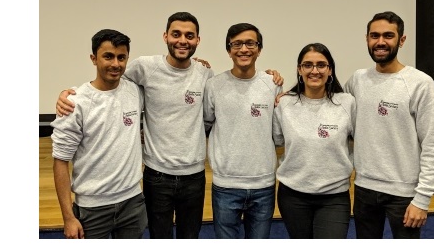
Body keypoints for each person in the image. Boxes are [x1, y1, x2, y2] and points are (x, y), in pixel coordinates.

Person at [55, 12, 284, 239]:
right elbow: (109, 82)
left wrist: (270, 76)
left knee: (189, 237)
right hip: (157, 177)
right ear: (165, 36)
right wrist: (70, 94)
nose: (182, 40)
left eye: (189, 35)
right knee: (159, 237)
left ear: (197, 41)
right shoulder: (144, 68)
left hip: (194, 176)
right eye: (176, 34)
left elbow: (207, 118)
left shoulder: (205, 73)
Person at [344, 11, 434, 239]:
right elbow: (331, 105)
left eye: (388, 36)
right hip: (364, 188)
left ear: (401, 40)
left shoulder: (421, 84)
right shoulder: (357, 80)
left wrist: (423, 198)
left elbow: (433, 143)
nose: (380, 42)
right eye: (374, 36)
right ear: (367, 39)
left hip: (404, 193)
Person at [51, 29, 148, 239]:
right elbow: (60, 161)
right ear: (93, 59)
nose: (115, 64)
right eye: (108, 56)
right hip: (92, 209)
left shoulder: (135, 91)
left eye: (121, 57)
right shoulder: (75, 104)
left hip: (133, 202)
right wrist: (68, 217)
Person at [203, 23, 283, 239]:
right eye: (236, 44)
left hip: (263, 184)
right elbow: (206, 124)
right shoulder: (214, 85)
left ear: (259, 49)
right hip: (226, 184)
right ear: (229, 50)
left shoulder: (272, 84)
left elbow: (277, 133)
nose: (244, 49)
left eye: (250, 43)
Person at [272, 43, 355, 239]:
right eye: (308, 65)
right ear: (299, 70)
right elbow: (276, 140)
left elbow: (365, 140)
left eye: (321, 65)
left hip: (334, 196)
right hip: (293, 195)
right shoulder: (284, 104)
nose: (314, 71)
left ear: (330, 69)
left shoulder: (347, 103)